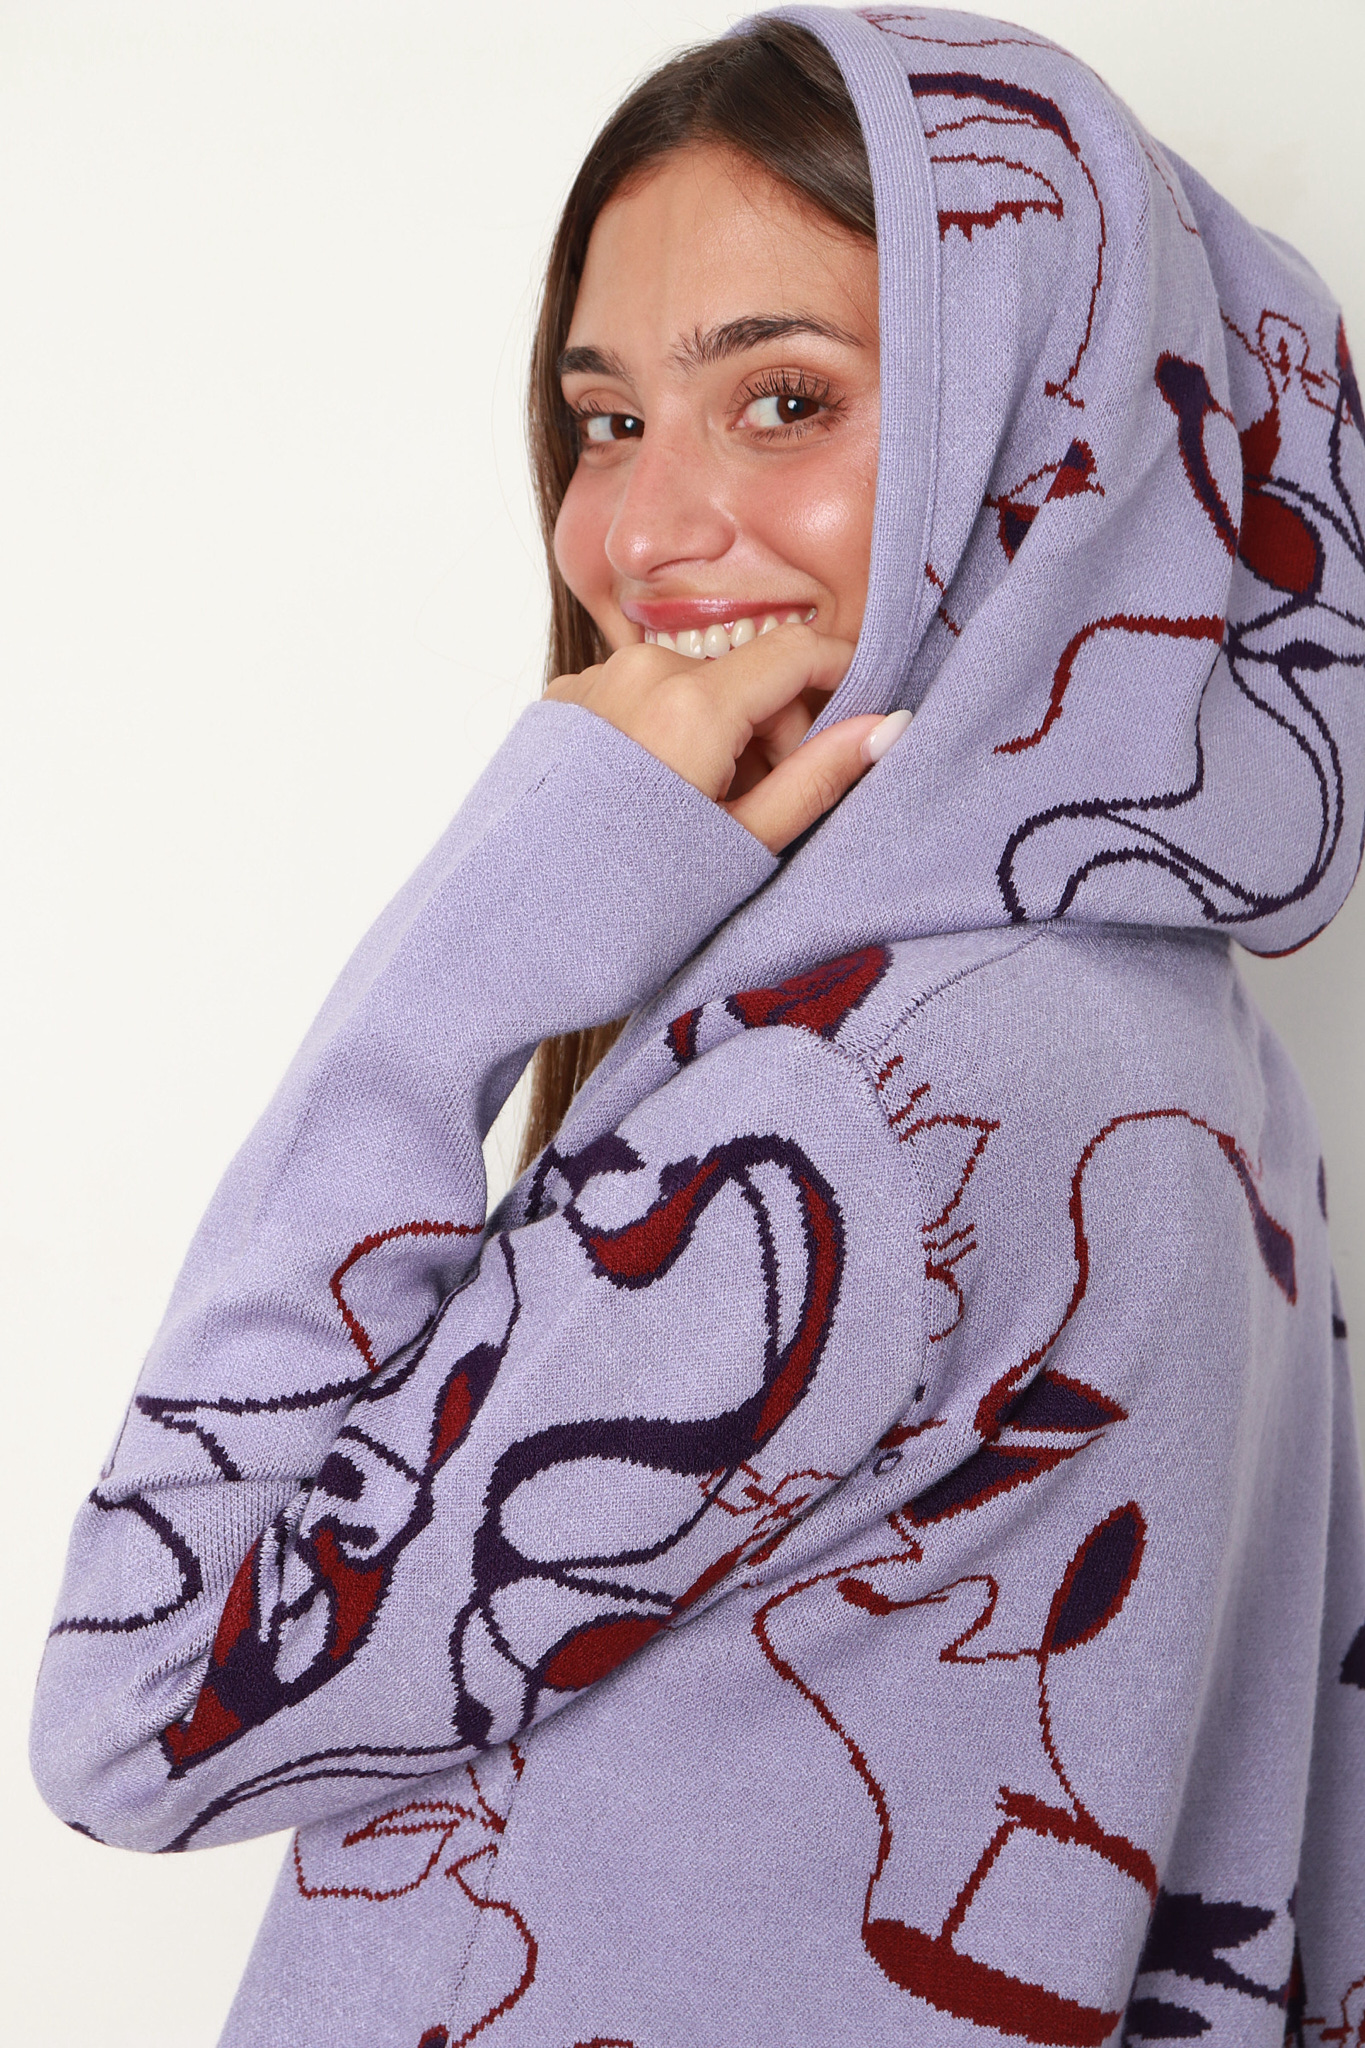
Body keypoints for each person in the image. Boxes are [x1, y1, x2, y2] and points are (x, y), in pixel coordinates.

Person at [30, 8, 1365, 2042]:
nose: (639, 533)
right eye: (605, 421)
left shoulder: (850, 1100)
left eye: (783, 399)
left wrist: (476, 947)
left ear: (1050, 428)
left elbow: (137, 1710)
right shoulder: (1173, 1039)